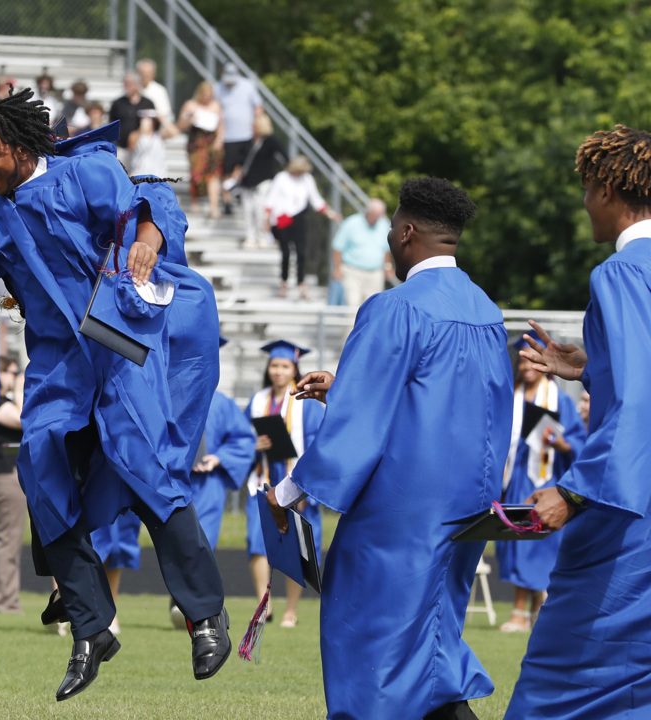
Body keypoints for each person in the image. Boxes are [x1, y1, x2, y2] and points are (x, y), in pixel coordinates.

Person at [0, 91, 229, 699]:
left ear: (21, 145)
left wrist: (147, 239)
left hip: (117, 332)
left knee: (139, 460)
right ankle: (91, 626)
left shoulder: (83, 171)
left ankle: (205, 613)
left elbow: (150, 200)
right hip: (59, 354)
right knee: (40, 467)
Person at [266, 177, 511, 719]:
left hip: (397, 515)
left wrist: (289, 490)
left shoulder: (395, 308)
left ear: (405, 232)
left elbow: (361, 424)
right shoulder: (487, 313)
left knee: (370, 649)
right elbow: (455, 411)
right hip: (465, 510)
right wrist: (345, 388)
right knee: (432, 652)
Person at [505, 125, 651, 718]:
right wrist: (594, 366)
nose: (584, 203)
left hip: (632, 519)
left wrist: (574, 490)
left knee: (563, 689)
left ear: (609, 189)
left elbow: (640, 401)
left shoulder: (621, 273)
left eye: (588, 188)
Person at [494, 331, 585, 634]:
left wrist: (561, 444)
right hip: (517, 479)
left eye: (532, 361)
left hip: (548, 478)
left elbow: (578, 441)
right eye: (522, 362)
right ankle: (522, 610)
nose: (526, 367)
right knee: (518, 541)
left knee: (544, 544)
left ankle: (534, 609)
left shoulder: (559, 399)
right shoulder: (510, 397)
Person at [242, 340, 323, 627]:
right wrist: (254, 444)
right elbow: (241, 439)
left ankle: (291, 610)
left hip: (296, 482)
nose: (278, 371)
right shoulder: (258, 400)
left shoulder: (307, 402)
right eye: (274, 365)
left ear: (295, 368)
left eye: (284, 366)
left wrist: (306, 486)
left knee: (297, 546)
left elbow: (317, 443)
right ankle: (264, 606)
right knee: (257, 543)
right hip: (264, 481)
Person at [173, 364, 256, 628]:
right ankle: (180, 600)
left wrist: (219, 457)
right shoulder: (173, 396)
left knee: (204, 541)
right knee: (176, 539)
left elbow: (243, 440)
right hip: (177, 480)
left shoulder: (223, 404)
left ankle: (192, 605)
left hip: (209, 483)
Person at [265, 156, 341, 300]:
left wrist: (330, 213)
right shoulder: (281, 178)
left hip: (299, 218)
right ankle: (284, 282)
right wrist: (267, 220)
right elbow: (271, 199)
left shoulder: (307, 179)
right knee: (286, 252)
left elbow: (316, 199)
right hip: (283, 219)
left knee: (301, 252)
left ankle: (301, 282)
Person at [0, 354, 25, 614]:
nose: (13, 376)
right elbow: (23, 418)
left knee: (15, 539)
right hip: (5, 472)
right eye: (9, 371)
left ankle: (7, 599)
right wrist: (21, 387)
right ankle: (4, 601)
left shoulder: (4, 400)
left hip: (16, 472)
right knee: (9, 539)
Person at [331, 198, 393, 309]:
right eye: (374, 215)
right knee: (353, 305)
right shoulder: (351, 223)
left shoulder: (383, 225)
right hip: (352, 272)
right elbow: (337, 247)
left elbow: (386, 250)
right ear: (367, 211)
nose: (375, 219)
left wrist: (388, 267)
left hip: (375, 273)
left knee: (373, 307)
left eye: (378, 216)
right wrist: (338, 269)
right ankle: (351, 327)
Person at [214, 62, 264, 196]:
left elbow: (258, 108)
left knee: (245, 167)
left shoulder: (248, 85)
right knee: (226, 170)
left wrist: (258, 128)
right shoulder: (217, 88)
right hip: (228, 136)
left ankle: (240, 191)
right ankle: (227, 199)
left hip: (247, 135)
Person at [237, 114, 286, 248]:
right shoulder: (249, 142)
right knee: (248, 210)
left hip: (263, 181)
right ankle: (250, 237)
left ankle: (263, 236)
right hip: (247, 182)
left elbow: (284, 157)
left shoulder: (271, 142)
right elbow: (240, 160)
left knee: (260, 210)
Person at [177, 81, 224, 218]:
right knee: (196, 173)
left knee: (214, 174)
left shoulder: (216, 105)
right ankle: (195, 200)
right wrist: (190, 120)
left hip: (211, 143)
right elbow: (181, 124)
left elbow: (221, 126)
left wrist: (219, 140)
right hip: (196, 144)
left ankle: (214, 207)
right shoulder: (190, 105)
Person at [108, 72, 154, 169]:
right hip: (121, 147)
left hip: (142, 150)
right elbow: (111, 122)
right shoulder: (118, 103)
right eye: (125, 83)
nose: (126, 86)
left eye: (129, 83)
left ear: (137, 84)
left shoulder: (147, 103)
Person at [136, 59, 175, 134]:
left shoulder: (160, 91)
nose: (145, 75)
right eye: (142, 73)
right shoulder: (132, 89)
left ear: (153, 74)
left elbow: (165, 114)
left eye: (148, 73)